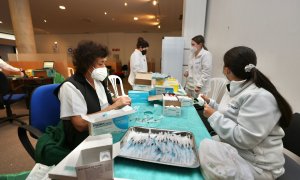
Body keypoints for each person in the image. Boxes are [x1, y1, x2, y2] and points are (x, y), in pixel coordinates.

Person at [198, 46, 293, 179]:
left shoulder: (260, 97)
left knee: (205, 147)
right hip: (243, 152)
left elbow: (244, 138)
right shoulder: (237, 87)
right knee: (203, 143)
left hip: (260, 167)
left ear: (227, 69)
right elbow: (232, 113)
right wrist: (212, 104)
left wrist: (214, 115)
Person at [56, 40, 131, 150]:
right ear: (87, 64)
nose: (104, 67)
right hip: (84, 139)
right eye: (101, 64)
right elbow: (80, 125)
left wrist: (119, 101)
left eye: (104, 63)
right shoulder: (70, 87)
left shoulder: (98, 80)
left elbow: (105, 101)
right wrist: (113, 107)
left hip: (104, 127)